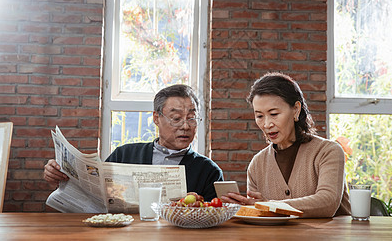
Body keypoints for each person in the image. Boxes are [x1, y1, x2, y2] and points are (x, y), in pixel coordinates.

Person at [44, 84, 223, 201]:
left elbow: (216, 221)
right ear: (156, 118)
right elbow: (93, 195)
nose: (185, 126)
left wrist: (199, 207)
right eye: (176, 118)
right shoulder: (124, 154)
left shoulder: (210, 171)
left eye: (192, 118)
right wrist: (59, 177)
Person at [221, 72, 351, 218]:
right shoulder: (257, 165)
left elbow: (328, 202)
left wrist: (270, 205)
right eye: (259, 116)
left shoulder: (328, 151)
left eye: (274, 114)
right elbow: (260, 214)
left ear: (296, 109)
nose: (267, 124)